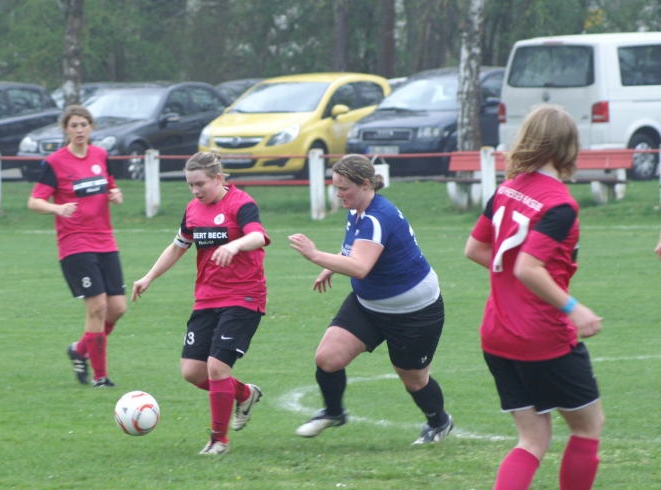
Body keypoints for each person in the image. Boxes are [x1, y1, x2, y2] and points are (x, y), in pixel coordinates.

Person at [464, 104, 604, 490]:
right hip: (542, 335)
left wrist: (512, 280)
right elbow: (528, 266)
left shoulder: (506, 190)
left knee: (532, 438)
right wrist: (571, 305)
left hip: (497, 332)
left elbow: (476, 248)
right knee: (587, 427)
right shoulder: (560, 203)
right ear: (568, 147)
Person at [289, 154, 453, 445]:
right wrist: (331, 265)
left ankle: (439, 422)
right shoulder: (357, 209)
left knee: (413, 379)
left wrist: (315, 256)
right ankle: (334, 411)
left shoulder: (378, 217)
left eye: (343, 188)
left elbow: (361, 267)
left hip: (414, 312)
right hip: (369, 305)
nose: (338, 194)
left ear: (366, 184)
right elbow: (353, 251)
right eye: (335, 187)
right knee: (327, 358)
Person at [131, 151, 269, 455]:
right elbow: (178, 247)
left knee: (217, 367)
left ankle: (218, 440)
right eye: (190, 185)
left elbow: (258, 237)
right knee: (193, 372)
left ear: (218, 179)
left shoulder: (240, 204)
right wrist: (149, 277)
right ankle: (245, 394)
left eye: (200, 184)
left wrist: (234, 245)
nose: (195, 191)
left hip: (243, 296)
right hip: (207, 297)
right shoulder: (193, 209)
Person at [28, 105, 125, 388]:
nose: (80, 130)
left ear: (91, 127)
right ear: (66, 129)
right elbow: (34, 201)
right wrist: (57, 208)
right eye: (74, 125)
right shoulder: (55, 162)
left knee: (117, 308)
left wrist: (115, 192)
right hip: (74, 243)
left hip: (105, 240)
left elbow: (108, 184)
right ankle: (100, 377)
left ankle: (79, 350)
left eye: (84, 124)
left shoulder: (100, 155)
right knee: (97, 307)